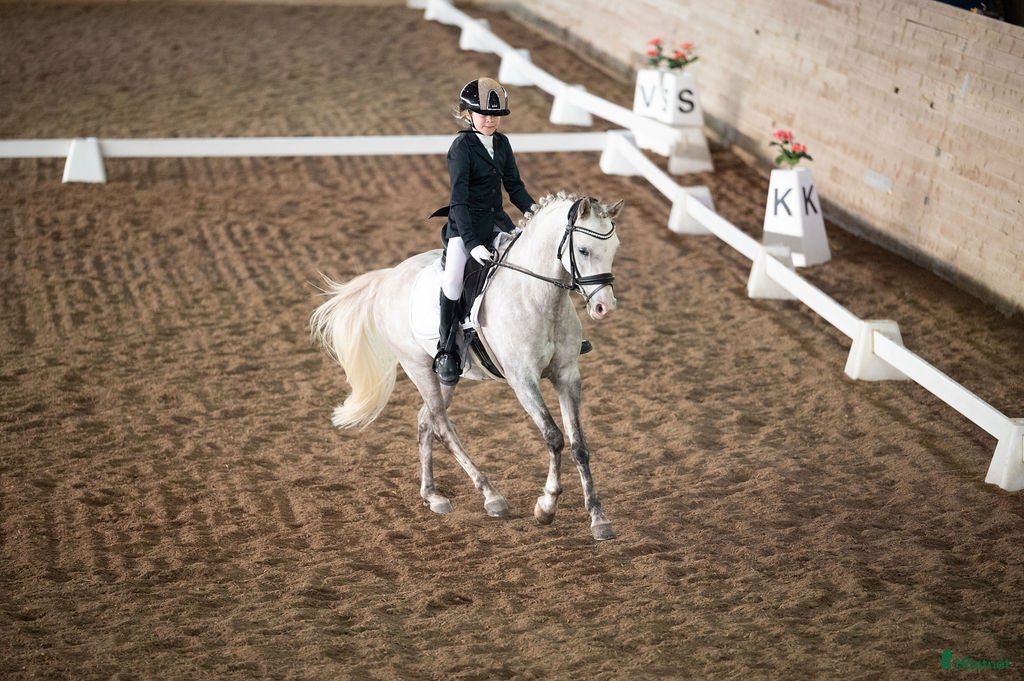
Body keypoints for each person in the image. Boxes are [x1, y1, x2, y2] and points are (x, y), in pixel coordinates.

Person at [433, 77, 536, 386]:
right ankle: (447, 350)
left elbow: (514, 186)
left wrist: (535, 214)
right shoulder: (461, 148)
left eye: (495, 115)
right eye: (483, 114)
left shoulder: (502, 143)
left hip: (497, 223)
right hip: (464, 228)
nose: (490, 120)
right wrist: (472, 243)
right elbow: (459, 201)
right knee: (452, 280)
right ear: (468, 114)